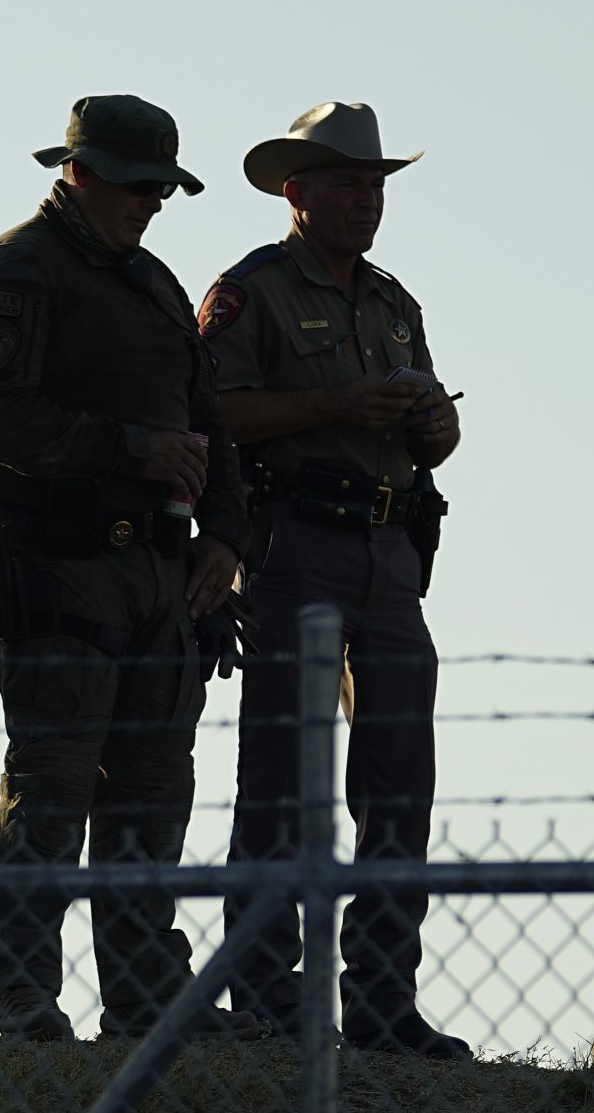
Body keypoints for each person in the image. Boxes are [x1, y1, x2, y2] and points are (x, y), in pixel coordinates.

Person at [0, 95, 263, 1043]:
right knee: (53, 785)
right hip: (60, 567)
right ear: (77, 172)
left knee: (154, 792)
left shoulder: (159, 288)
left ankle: (141, 995)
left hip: (162, 579)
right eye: (133, 185)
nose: (149, 203)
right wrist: (134, 449)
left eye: (161, 188)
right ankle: (29, 1000)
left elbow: (212, 426)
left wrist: (227, 540)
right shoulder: (16, 271)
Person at [199, 103, 468, 1059]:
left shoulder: (396, 303)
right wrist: (332, 403)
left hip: (391, 556)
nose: (367, 200)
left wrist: (435, 428)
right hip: (292, 549)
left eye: (377, 185)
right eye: (349, 185)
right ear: (295, 191)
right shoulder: (249, 294)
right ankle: (266, 997)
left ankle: (384, 1001)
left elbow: (433, 427)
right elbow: (211, 415)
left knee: (400, 783)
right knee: (280, 786)